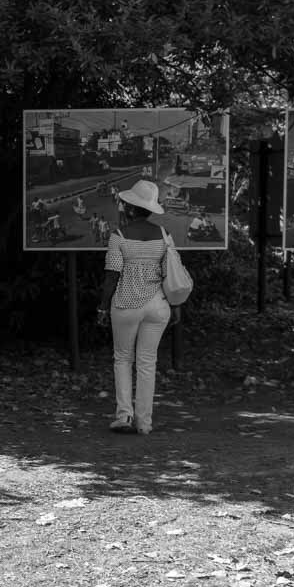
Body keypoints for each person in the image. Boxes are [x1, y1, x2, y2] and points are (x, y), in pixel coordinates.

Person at [96, 179, 173, 435]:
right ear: (150, 209)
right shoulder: (164, 236)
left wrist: (103, 308)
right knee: (147, 363)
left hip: (126, 303)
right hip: (158, 304)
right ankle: (145, 422)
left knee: (123, 359)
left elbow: (112, 275)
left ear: (130, 208)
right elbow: (169, 274)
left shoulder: (119, 236)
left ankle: (124, 416)